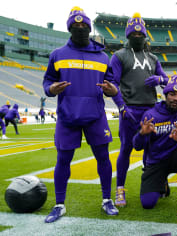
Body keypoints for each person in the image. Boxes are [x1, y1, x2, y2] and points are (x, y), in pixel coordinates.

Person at [42, 6, 119, 223]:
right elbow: (48, 81)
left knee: (103, 158)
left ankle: (107, 200)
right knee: (63, 160)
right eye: (75, 26)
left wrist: (113, 90)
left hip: (96, 115)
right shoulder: (57, 54)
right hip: (67, 115)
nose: (80, 29)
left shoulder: (103, 57)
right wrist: (52, 89)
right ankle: (59, 205)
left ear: (89, 27)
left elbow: (112, 82)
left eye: (84, 25)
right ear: (69, 28)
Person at [110, 12, 169, 207]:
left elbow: (168, 82)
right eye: (134, 35)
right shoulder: (119, 56)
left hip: (151, 110)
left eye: (141, 35)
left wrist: (160, 79)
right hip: (130, 109)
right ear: (128, 35)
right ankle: (120, 190)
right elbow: (112, 84)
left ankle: (156, 182)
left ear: (145, 36)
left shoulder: (153, 58)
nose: (138, 37)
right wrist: (121, 106)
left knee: (153, 148)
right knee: (126, 149)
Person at [133, 75, 177, 216]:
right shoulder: (151, 114)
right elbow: (137, 146)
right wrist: (142, 135)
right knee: (148, 203)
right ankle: (163, 182)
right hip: (157, 160)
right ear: (165, 95)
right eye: (172, 94)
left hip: (176, 157)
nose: (175, 98)